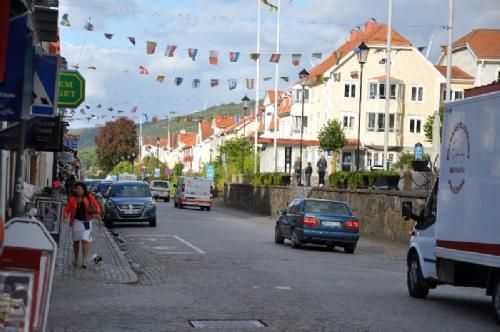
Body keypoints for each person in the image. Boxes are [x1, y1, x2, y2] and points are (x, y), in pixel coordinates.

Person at [63, 181, 101, 268]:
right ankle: (76, 258)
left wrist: (98, 213)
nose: (77, 190)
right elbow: (66, 209)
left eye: (79, 188)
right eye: (76, 188)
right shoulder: (72, 199)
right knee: (76, 241)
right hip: (76, 222)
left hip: (87, 222)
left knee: (85, 240)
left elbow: (96, 205)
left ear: (83, 189)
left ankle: (84, 260)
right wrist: (65, 217)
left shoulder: (89, 196)